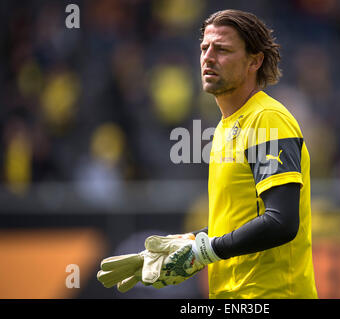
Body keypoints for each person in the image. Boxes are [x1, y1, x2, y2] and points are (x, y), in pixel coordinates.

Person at [97, 9, 318, 299]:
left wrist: (204, 251)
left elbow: (281, 222)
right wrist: (189, 243)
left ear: (255, 60)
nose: (208, 57)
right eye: (204, 48)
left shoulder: (266, 119)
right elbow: (239, 221)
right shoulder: (226, 128)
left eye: (222, 49)